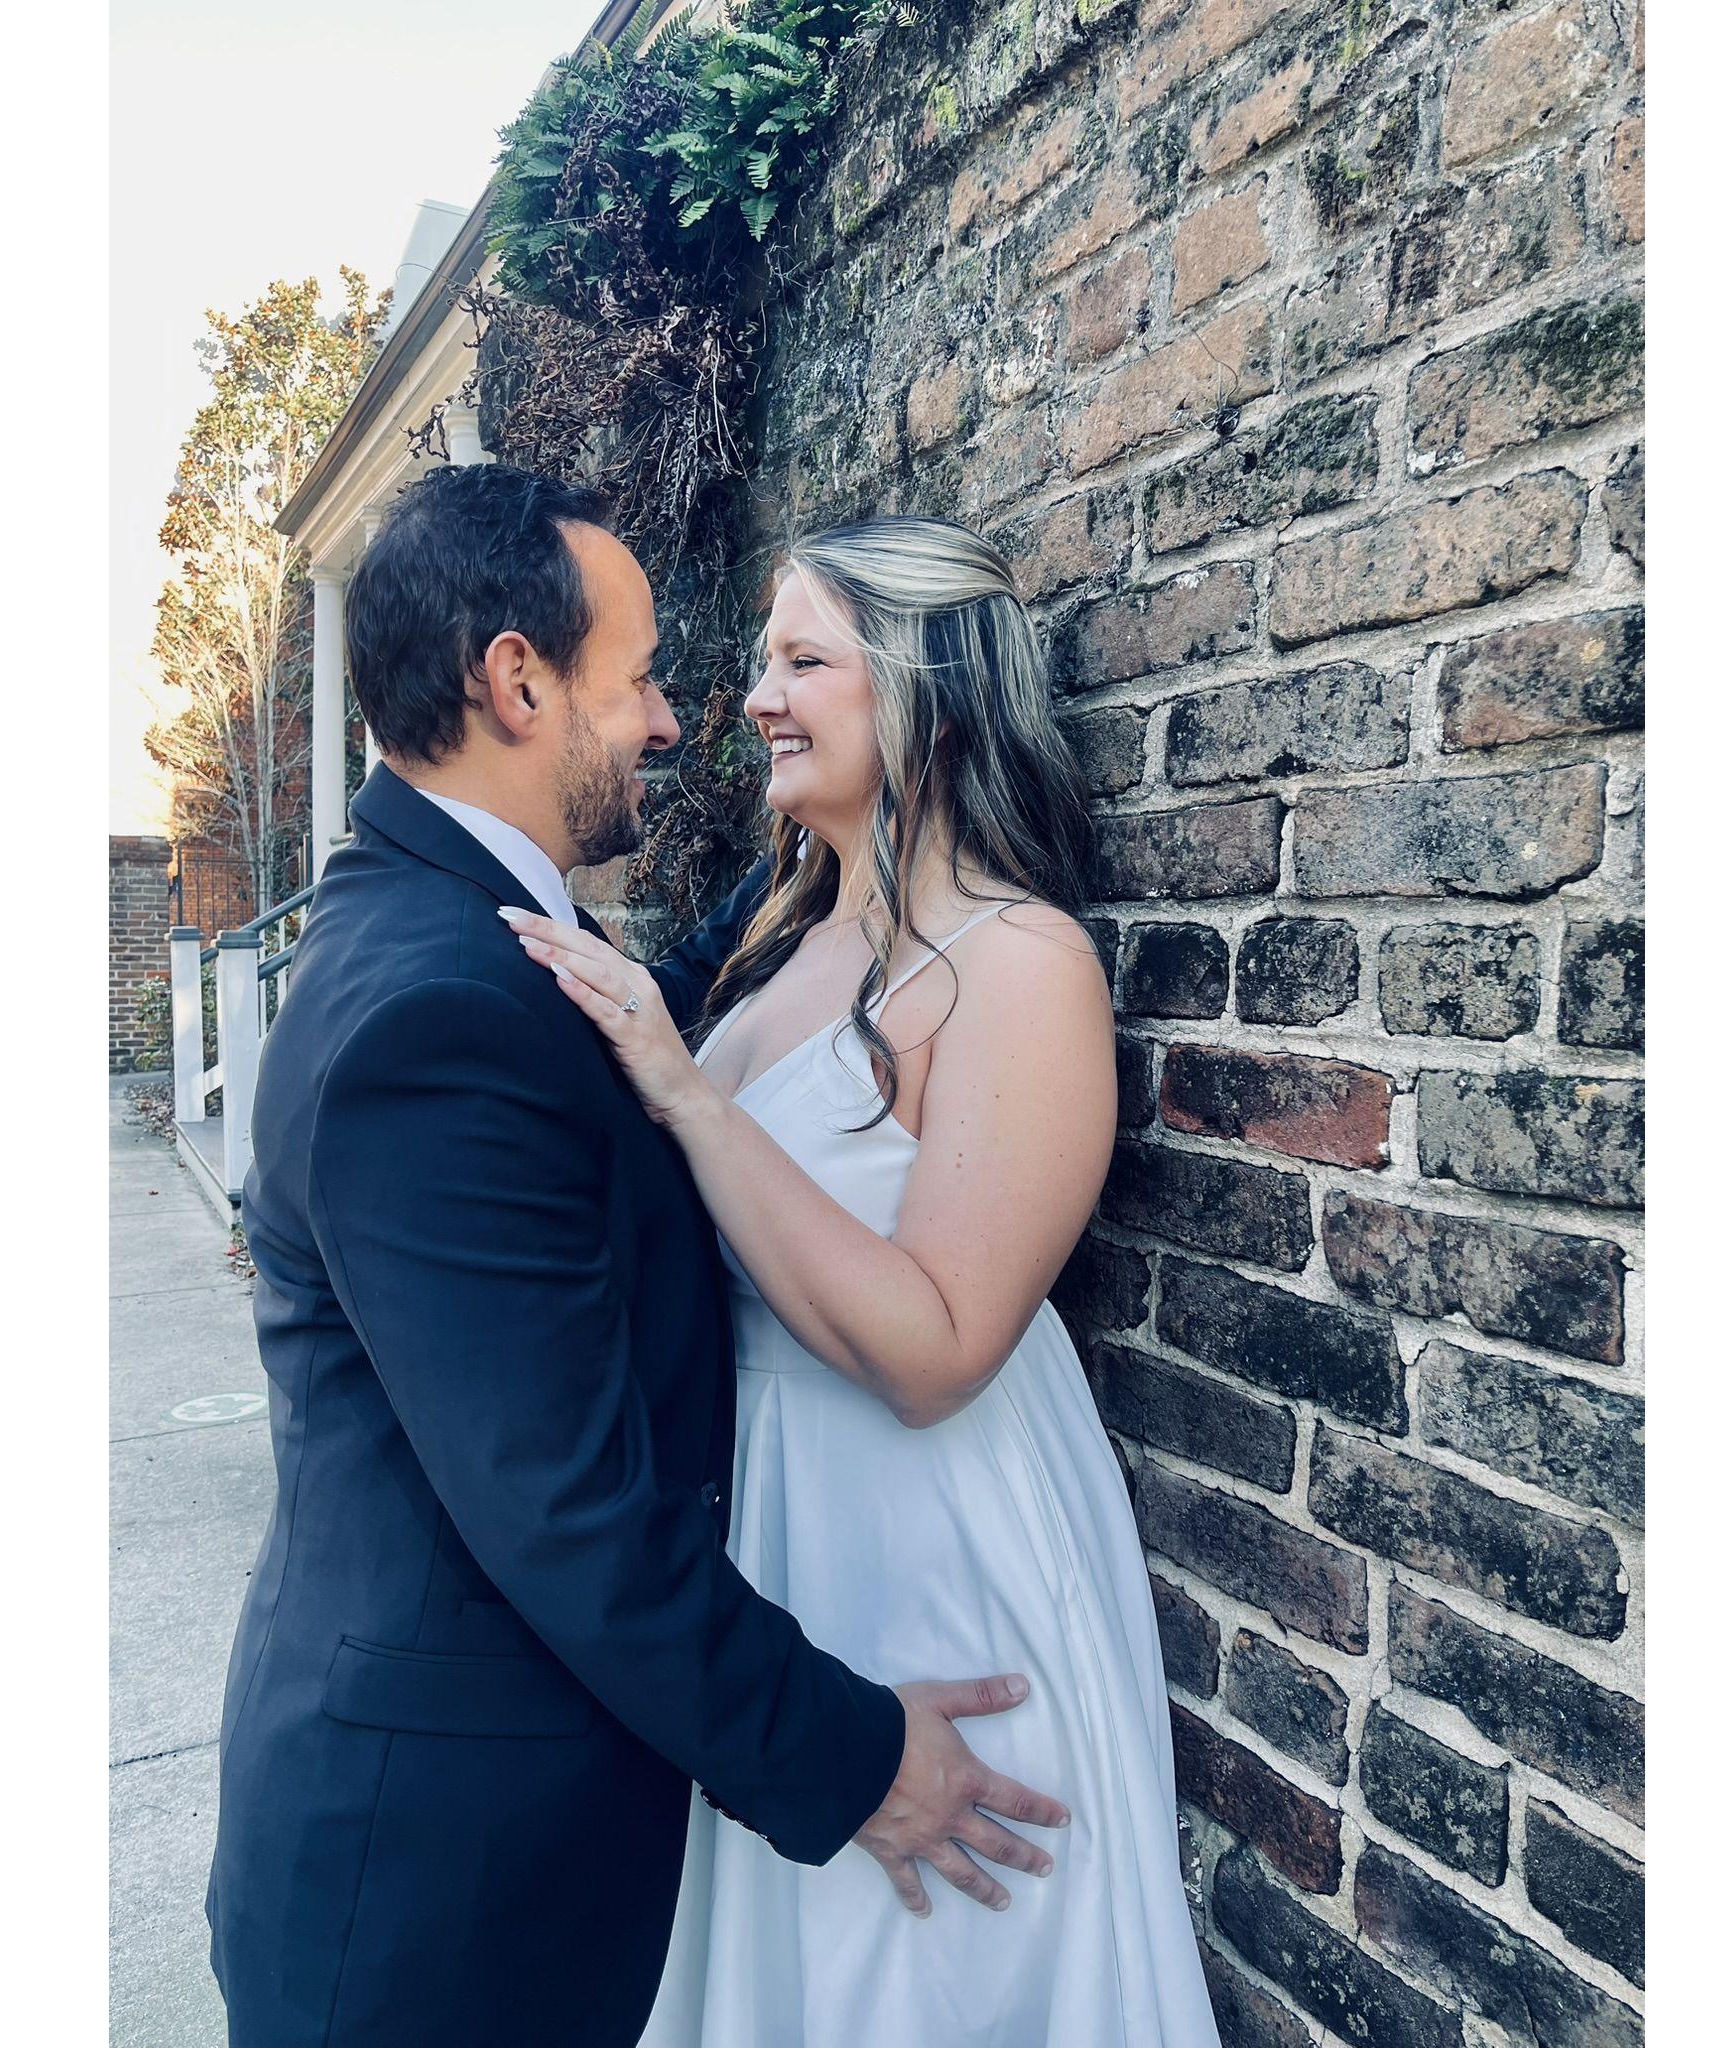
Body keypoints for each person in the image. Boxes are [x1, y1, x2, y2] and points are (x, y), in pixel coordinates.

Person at [205, 467, 1069, 2048]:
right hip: (441, 1891)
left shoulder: (468, 934)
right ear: (517, 682)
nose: (684, 719)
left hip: (559, 1781)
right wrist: (855, 1761)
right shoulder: (438, 1007)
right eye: (645, 677)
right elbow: (564, 1511)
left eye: (797, 664)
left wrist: (865, 839)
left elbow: (663, 1043)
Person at [505, 516, 1221, 2046]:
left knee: (923, 1988)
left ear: (928, 692)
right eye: (767, 662)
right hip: (769, 1532)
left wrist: (681, 1091)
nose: (757, 699)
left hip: (928, 1546)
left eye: (804, 662)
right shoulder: (781, 943)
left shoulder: (1021, 962)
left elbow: (943, 1347)